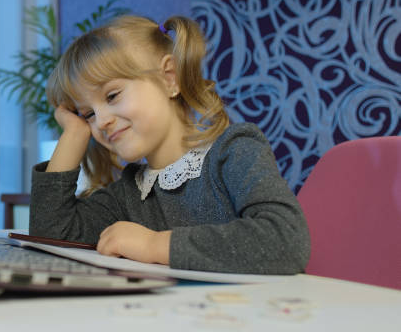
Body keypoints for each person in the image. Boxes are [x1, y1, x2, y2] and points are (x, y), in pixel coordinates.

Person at [29, 15, 310, 274]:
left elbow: (286, 240)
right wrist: (74, 134)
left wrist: (155, 245)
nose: (100, 121)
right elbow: (52, 238)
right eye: (88, 114)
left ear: (169, 78)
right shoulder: (127, 194)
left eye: (112, 95)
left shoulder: (234, 151)